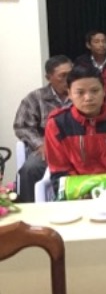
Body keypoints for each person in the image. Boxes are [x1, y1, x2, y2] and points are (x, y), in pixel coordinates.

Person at [45, 65, 106, 195]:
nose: (88, 98)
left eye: (95, 91)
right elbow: (61, 173)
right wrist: (85, 193)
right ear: (69, 94)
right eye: (80, 92)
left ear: (104, 91)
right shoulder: (57, 124)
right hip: (75, 196)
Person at [13, 55, 73, 202]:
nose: (68, 79)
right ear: (48, 77)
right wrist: (40, 143)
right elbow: (22, 126)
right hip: (47, 148)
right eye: (62, 76)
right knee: (30, 169)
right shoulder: (35, 97)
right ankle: (29, 210)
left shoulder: (81, 94)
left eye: (71, 74)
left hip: (78, 146)